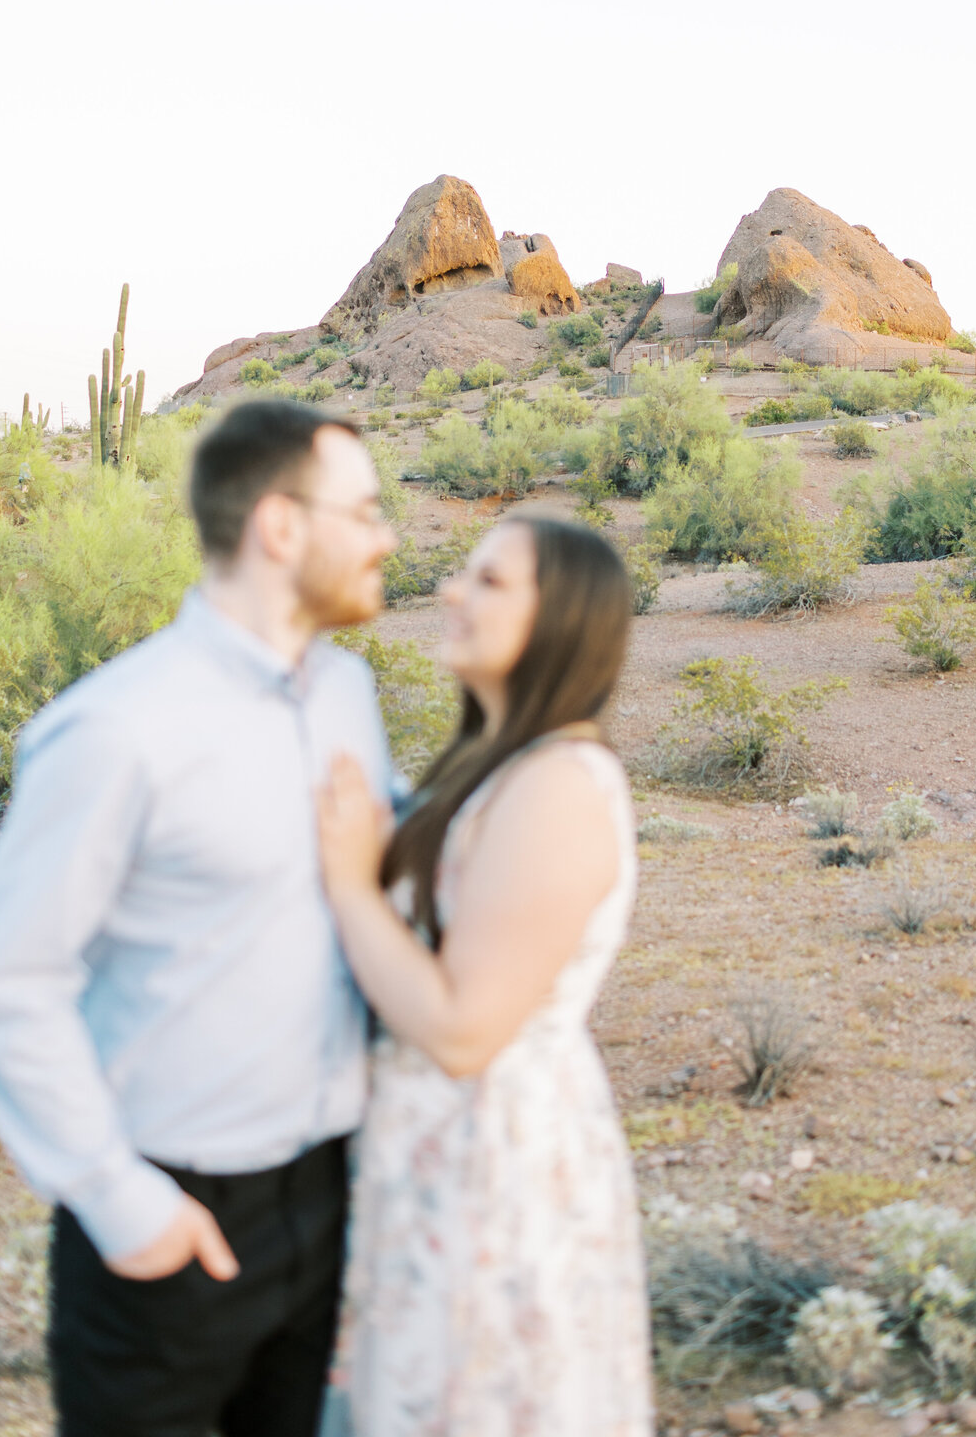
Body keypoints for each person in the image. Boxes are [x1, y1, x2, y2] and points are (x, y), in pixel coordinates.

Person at [0, 399, 397, 1437]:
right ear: (281, 528)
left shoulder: (350, 694)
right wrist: (119, 1198)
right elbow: (12, 984)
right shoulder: (116, 730)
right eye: (366, 510)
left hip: (324, 1192)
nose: (385, 538)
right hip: (170, 1212)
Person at [317, 515, 654, 1435]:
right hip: (442, 1152)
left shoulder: (559, 786)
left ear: (563, 620)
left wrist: (351, 886)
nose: (452, 593)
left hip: (495, 1163)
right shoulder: (494, 768)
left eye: (489, 581)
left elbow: (465, 1030)